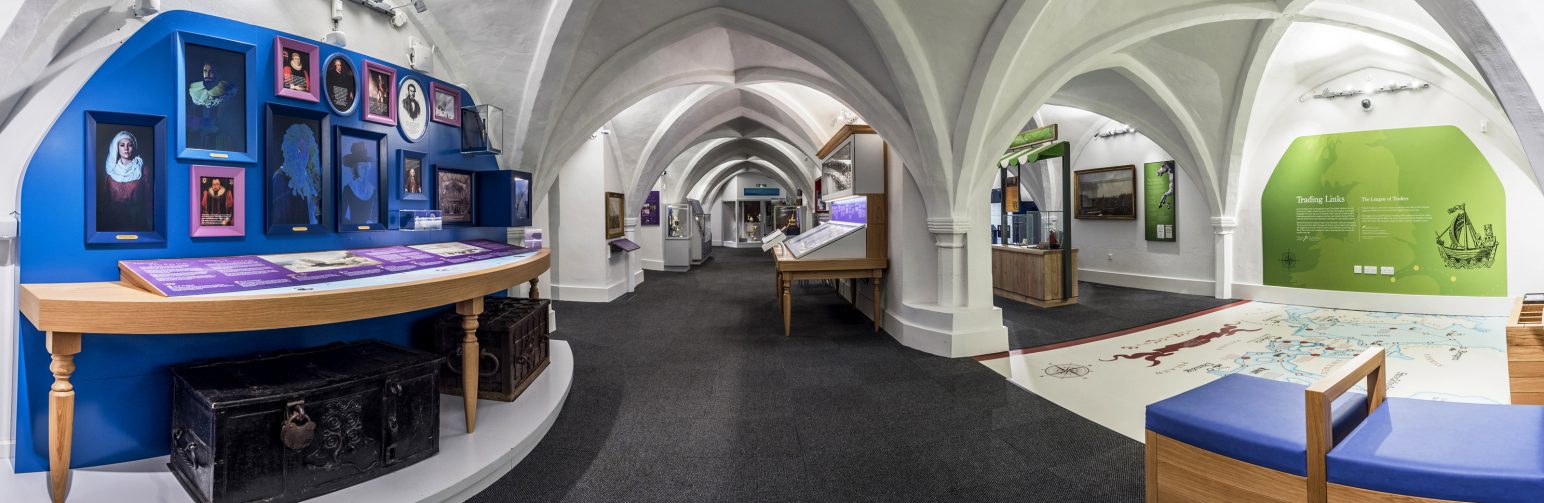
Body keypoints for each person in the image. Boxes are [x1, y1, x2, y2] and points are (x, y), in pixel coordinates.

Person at [99, 131, 150, 231]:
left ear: (134, 147)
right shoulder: (110, 170)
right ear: (116, 148)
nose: (126, 148)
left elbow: (149, 199)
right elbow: (104, 199)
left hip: (135, 219)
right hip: (113, 220)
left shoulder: (143, 169)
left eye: (129, 145)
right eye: (122, 145)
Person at [187, 63, 237, 150]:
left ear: (218, 74)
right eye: (205, 71)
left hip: (219, 133)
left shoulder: (226, 90)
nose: (207, 74)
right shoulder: (195, 90)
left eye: (211, 72)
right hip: (200, 135)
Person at [339, 140, 379, 225]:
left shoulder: (374, 190)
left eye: (367, 166)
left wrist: (372, 222)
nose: (365, 170)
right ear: (355, 168)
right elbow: (341, 217)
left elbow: (376, 216)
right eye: (361, 166)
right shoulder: (348, 189)